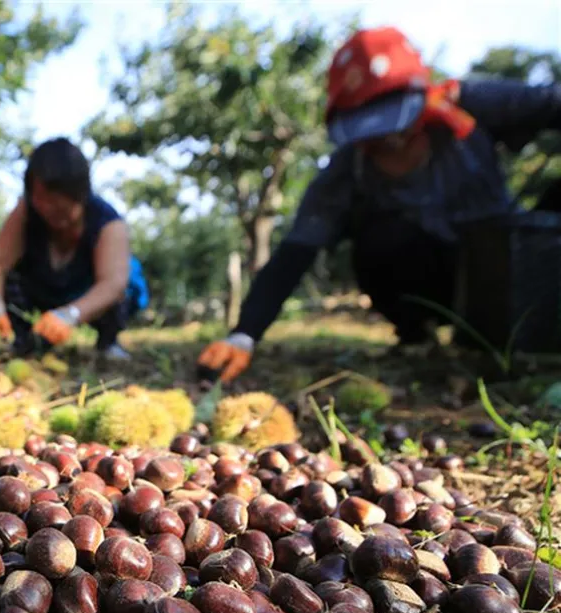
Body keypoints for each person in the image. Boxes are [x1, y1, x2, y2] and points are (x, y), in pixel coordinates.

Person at [197, 26, 561, 383]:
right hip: (421, 279)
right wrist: (244, 334)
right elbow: (295, 253)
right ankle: (417, 334)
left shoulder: (471, 106)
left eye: (396, 129)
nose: (388, 140)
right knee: (382, 239)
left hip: (507, 271)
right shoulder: (345, 174)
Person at [0, 137, 145, 360]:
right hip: (43, 289)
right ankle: (22, 342)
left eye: (57, 200)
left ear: (79, 193)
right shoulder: (26, 212)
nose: (48, 208)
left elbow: (113, 284)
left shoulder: (107, 222)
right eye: (40, 198)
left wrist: (71, 314)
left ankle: (108, 342)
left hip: (86, 294)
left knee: (128, 279)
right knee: (8, 283)